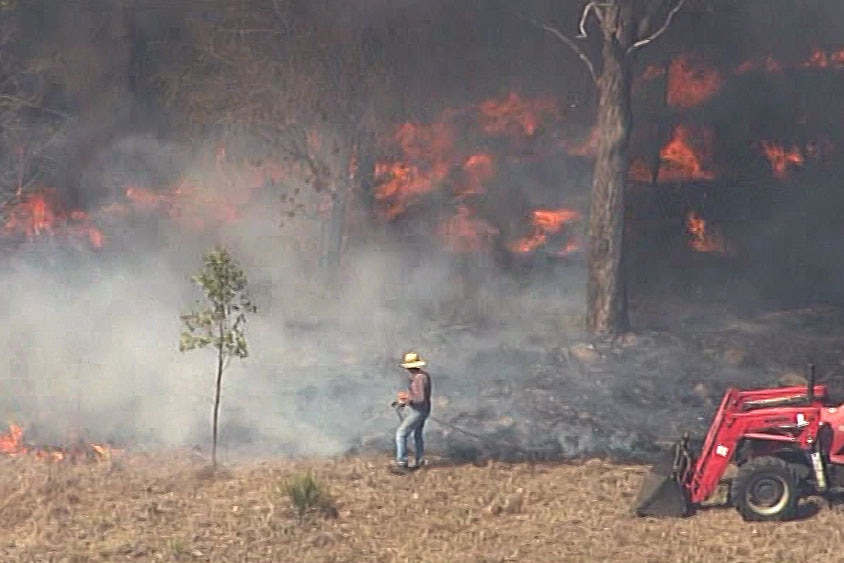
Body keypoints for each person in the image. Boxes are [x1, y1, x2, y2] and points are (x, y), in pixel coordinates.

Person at [391, 351, 432, 475]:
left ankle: (402, 463)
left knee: (401, 434)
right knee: (416, 435)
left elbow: (420, 398)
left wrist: (406, 400)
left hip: (419, 411)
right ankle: (419, 461)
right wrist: (403, 401)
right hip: (421, 409)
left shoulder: (420, 378)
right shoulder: (419, 376)